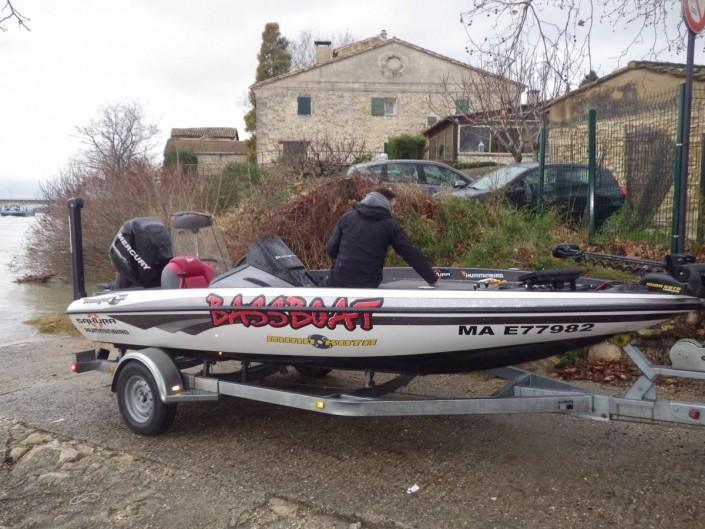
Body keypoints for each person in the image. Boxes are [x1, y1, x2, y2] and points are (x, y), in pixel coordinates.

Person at [326, 188, 438, 288]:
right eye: (392, 206)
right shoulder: (390, 225)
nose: (393, 211)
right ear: (385, 202)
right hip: (368, 283)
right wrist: (431, 278)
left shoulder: (347, 217)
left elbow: (331, 250)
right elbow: (409, 253)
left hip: (338, 280)